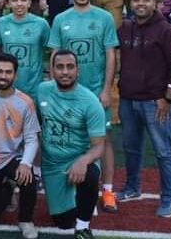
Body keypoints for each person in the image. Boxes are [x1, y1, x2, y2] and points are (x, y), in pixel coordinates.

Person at [48, 0, 119, 213]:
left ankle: (107, 190)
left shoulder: (104, 18)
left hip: (96, 92)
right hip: (67, 92)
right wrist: (53, 87)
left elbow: (110, 55)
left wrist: (106, 89)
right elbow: (54, 55)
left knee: (103, 139)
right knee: (69, 137)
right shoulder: (61, 19)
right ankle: (75, 188)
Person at [117, 0, 171, 218]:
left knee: (163, 152)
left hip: (155, 102)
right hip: (127, 100)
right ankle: (132, 187)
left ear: (154, 3)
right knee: (130, 148)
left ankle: (168, 199)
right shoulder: (124, 28)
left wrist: (168, 99)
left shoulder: (167, 30)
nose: (141, 3)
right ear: (130, 3)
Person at [37, 50, 106, 239]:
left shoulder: (90, 102)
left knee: (90, 175)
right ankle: (75, 198)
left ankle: (83, 226)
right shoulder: (42, 90)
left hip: (77, 158)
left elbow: (99, 146)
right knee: (63, 221)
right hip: (52, 165)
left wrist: (83, 161)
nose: (65, 72)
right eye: (60, 67)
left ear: (78, 70)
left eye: (70, 67)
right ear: (52, 70)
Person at [0, 53, 40, 239]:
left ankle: (25, 220)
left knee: (28, 179)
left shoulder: (25, 102)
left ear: (15, 75)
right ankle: (9, 188)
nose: (3, 76)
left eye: (8, 72)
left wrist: (26, 163)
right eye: (0, 71)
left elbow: (32, 138)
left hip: (10, 157)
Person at [0, 0, 50, 102]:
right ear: (9, 3)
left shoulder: (41, 24)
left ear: (29, 3)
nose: (19, 3)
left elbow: (51, 52)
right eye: (15, 0)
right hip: (8, 88)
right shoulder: (1, 23)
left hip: (33, 89)